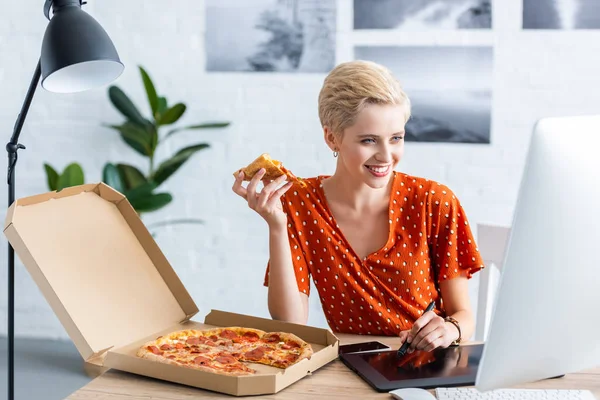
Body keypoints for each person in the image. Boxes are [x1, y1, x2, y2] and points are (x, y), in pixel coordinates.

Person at [232, 60, 484, 353]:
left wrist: (449, 329)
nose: (386, 156)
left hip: (426, 364)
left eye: (396, 139)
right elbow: (291, 322)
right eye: (369, 140)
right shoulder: (300, 203)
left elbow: (464, 317)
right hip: (348, 365)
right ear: (331, 138)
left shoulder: (434, 201)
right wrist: (276, 226)